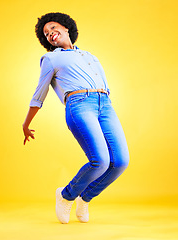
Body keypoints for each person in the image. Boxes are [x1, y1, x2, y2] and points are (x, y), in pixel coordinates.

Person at [22, 12, 129, 224]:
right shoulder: (51, 58)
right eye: (46, 33)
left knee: (120, 162)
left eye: (53, 28)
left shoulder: (90, 56)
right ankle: (66, 195)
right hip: (79, 104)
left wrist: (104, 103)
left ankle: (85, 197)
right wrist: (26, 123)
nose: (50, 34)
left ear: (66, 28)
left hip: (105, 104)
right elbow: (39, 93)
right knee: (100, 161)